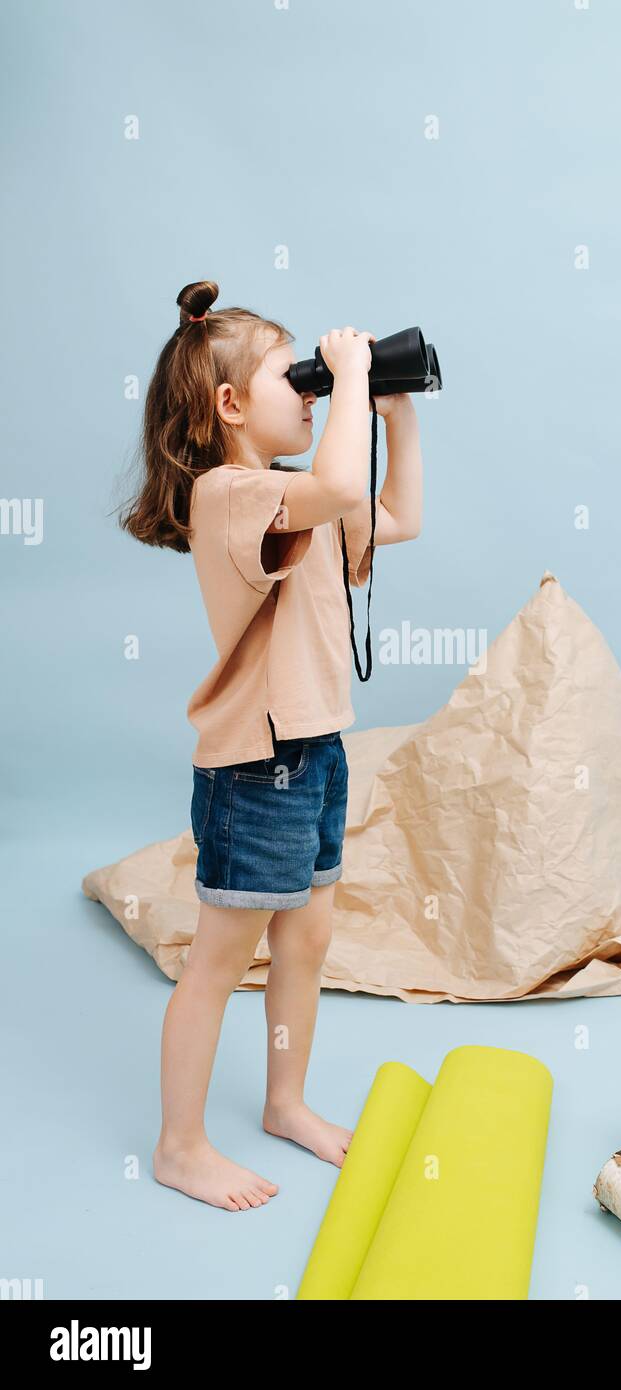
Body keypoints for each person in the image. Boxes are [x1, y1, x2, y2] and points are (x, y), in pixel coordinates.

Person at [119, 279, 423, 1210]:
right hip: (258, 762)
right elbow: (337, 485)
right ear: (232, 406)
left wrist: (395, 413)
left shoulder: (296, 497)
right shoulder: (229, 495)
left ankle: (285, 1102)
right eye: (297, 377)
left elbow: (394, 517)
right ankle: (179, 1145)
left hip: (318, 750)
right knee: (222, 959)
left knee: (308, 943)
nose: (314, 391)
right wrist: (351, 365)